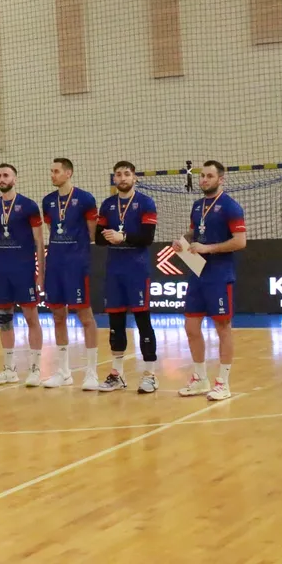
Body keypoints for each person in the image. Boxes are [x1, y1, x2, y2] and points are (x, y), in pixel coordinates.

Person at [171, 160, 246, 401]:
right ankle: (200, 378)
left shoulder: (231, 207)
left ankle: (223, 382)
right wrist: (182, 241)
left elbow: (240, 241)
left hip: (219, 276)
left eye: (209, 176)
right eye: (202, 176)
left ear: (220, 179)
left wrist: (209, 248)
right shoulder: (197, 206)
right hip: (197, 274)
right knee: (191, 327)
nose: (204, 180)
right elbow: (196, 232)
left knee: (222, 327)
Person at [95, 161, 160, 393]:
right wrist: (111, 237)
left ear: (134, 178)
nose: (122, 178)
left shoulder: (146, 203)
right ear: (114, 178)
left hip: (137, 270)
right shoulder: (108, 204)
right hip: (114, 270)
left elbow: (147, 237)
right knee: (115, 323)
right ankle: (117, 374)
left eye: (126, 174)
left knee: (143, 321)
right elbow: (99, 238)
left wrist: (122, 237)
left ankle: (150, 375)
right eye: (118, 174)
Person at [41, 158, 100, 391]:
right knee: (58, 316)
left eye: (56, 171)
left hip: (77, 265)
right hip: (55, 264)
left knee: (85, 317)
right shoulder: (48, 201)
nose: (52, 175)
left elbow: (92, 233)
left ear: (68, 173)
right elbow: (52, 230)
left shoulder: (85, 199)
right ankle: (63, 372)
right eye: (51, 171)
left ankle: (91, 372)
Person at [0, 163, 46, 387]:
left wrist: (41, 272)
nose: (2, 178)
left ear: (15, 179)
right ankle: (9, 370)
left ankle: (35, 369)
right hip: (1, 272)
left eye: (6, 175)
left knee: (31, 318)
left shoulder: (29, 206)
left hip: (24, 271)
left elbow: (39, 240)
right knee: (4, 320)